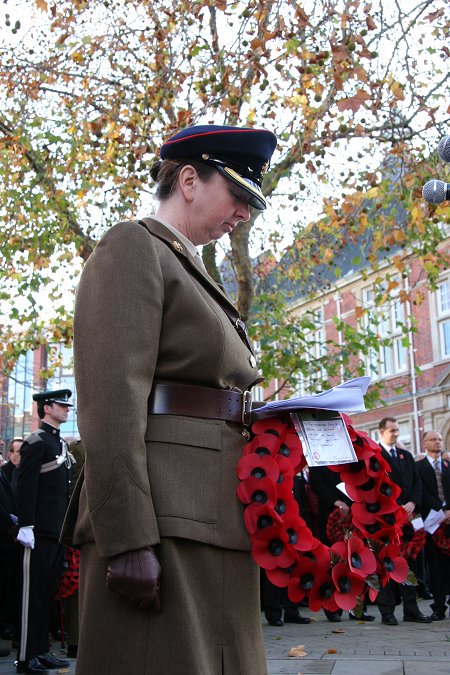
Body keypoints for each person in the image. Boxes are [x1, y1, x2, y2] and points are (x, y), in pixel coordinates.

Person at [61, 124, 277, 675]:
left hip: (208, 516)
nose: (245, 214)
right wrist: (127, 538)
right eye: (239, 196)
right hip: (163, 522)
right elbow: (110, 404)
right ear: (188, 179)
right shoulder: (134, 246)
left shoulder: (190, 265)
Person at [15, 389, 75, 674]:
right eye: (62, 405)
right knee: (32, 595)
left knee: (48, 594)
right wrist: (26, 524)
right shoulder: (36, 441)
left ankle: (41, 649)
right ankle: (26, 655)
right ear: (46, 407)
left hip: (55, 531)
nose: (67, 409)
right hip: (37, 531)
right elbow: (25, 487)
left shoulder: (56, 441)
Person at [376, 416, 432, 625]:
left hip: (409, 518)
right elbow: (376, 488)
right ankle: (387, 611)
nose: (396, 434)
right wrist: (396, 507)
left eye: (398, 430)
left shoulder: (406, 455)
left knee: (410, 564)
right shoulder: (376, 457)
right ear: (382, 432)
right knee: (387, 564)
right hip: (388, 521)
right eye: (392, 431)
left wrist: (412, 503)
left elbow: (417, 482)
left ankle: (411, 609)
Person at [309, 465, 375, 623]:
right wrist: (334, 501)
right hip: (332, 516)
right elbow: (316, 482)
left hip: (355, 513)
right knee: (333, 564)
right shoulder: (320, 456)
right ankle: (332, 608)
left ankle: (357, 609)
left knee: (357, 563)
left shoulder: (350, 454)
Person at [416, 430, 450, 620]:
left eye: (439, 439)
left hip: (449, 521)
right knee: (435, 566)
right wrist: (440, 509)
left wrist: (449, 510)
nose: (437, 442)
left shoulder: (447, 465)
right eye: (433, 440)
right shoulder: (418, 467)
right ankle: (438, 607)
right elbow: (421, 491)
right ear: (425, 444)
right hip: (432, 522)